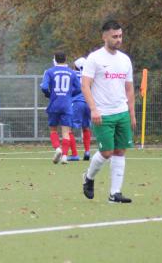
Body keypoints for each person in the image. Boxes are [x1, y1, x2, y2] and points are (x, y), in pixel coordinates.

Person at [82, 20, 136, 203]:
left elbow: (129, 89)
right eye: (115, 36)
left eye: (120, 36)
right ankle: (88, 178)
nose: (118, 39)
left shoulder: (125, 59)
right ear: (105, 36)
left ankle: (115, 194)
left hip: (122, 113)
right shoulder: (94, 58)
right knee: (106, 153)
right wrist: (93, 109)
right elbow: (85, 86)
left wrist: (132, 114)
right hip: (102, 114)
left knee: (120, 151)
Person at [41, 52, 81, 164]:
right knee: (66, 132)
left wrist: (49, 94)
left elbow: (44, 87)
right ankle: (64, 156)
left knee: (53, 129)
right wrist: (68, 94)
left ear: (55, 59)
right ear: (66, 59)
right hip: (67, 105)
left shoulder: (49, 71)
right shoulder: (71, 73)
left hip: (54, 103)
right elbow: (78, 88)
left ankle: (57, 148)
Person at [71, 57, 92, 161]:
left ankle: (74, 154)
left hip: (76, 102)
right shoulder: (90, 75)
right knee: (86, 127)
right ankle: (87, 151)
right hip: (89, 103)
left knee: (68, 129)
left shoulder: (73, 74)